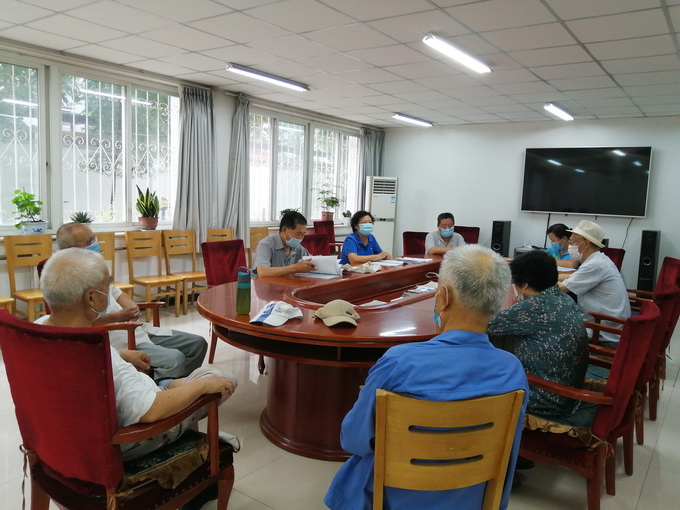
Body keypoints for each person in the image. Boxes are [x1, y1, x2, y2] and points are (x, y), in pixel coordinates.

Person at [325, 245, 528, 510]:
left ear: (443, 297)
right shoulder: (512, 370)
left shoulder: (399, 363)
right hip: (471, 498)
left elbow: (353, 440)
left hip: (394, 498)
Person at [37, 248, 238, 461]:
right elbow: (151, 412)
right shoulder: (94, 353)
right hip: (132, 438)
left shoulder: (38, 329)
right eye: (107, 283)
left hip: (68, 436)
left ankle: (169, 387)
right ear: (92, 297)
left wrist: (122, 354)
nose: (110, 289)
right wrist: (203, 387)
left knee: (187, 377)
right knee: (221, 379)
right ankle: (186, 434)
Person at [55, 223, 207, 383]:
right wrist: (118, 317)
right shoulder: (68, 283)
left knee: (197, 344)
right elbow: (78, 325)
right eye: (90, 241)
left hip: (135, 329)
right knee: (175, 359)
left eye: (94, 238)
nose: (95, 244)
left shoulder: (94, 268)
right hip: (119, 337)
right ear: (72, 250)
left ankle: (175, 383)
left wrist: (131, 306)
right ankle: (158, 389)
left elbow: (115, 291)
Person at [487, 250, 589, 420]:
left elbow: (483, 325)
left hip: (545, 399)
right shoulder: (565, 299)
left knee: (477, 381)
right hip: (568, 392)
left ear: (525, 285)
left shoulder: (533, 307)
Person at [558, 220, 631, 346]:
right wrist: (550, 275)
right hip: (605, 321)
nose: (570, 245)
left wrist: (535, 278)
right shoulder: (599, 259)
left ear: (586, 243)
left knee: (549, 324)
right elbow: (573, 277)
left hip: (602, 329)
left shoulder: (594, 265)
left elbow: (561, 288)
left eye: (573, 242)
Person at [252, 211, 316, 277]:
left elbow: (314, 262)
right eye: (298, 233)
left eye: (303, 234)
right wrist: (295, 268)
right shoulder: (266, 244)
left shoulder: (298, 248)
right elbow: (262, 273)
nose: (300, 238)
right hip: (266, 283)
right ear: (284, 230)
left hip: (288, 283)